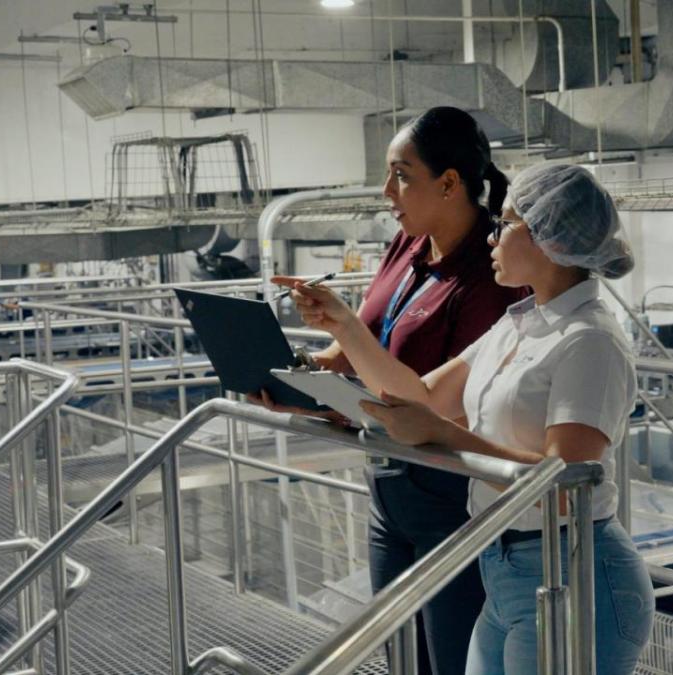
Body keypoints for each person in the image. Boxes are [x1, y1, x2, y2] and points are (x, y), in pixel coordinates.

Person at [276, 162, 655, 675]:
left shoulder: (589, 340)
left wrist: (445, 436)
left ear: (547, 238)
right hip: (503, 566)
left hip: (573, 573)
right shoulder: (519, 322)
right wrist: (343, 325)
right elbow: (422, 395)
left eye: (506, 224)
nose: (492, 239)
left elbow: (567, 483)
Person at [260, 106, 522, 675]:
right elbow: (361, 348)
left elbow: (440, 399)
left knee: (452, 662)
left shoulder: (491, 272)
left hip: (450, 493)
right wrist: (298, 374)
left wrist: (346, 329)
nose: (387, 192)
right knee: (400, 658)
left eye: (401, 175)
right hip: (388, 483)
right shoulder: (407, 247)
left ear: (450, 183)